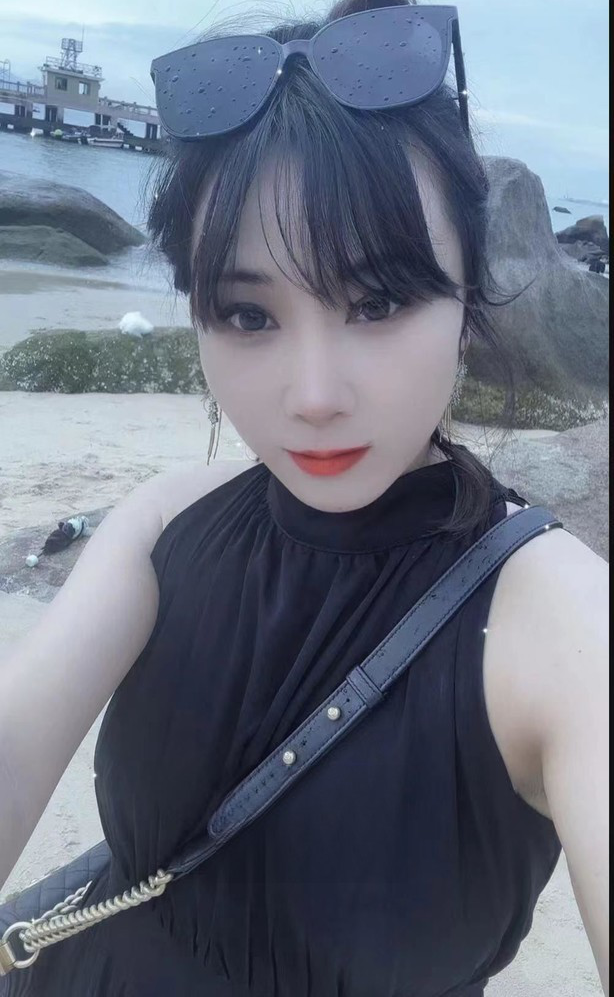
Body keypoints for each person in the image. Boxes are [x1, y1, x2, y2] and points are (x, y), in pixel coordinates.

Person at [0, 1, 608, 994]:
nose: (314, 396)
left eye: (377, 301)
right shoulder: (164, 526)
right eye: (249, 314)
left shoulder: (560, 622)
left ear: (467, 298)